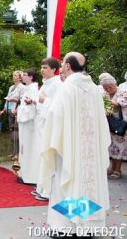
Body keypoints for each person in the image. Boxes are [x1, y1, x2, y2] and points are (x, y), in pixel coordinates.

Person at [39, 52, 111, 234]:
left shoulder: (66, 88)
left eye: (63, 63)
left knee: (68, 180)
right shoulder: (94, 88)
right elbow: (101, 120)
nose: (61, 65)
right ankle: (87, 227)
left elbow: (55, 116)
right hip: (91, 150)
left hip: (68, 148)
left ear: (68, 66)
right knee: (86, 183)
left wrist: (51, 140)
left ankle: (67, 228)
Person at [30, 58, 61, 201]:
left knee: (47, 155)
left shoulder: (57, 84)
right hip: (41, 121)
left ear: (54, 69)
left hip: (49, 123)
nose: (42, 70)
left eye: (45, 67)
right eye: (41, 67)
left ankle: (48, 191)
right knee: (41, 154)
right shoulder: (45, 84)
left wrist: (43, 101)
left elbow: (58, 105)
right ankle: (41, 187)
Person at [100, 74, 127, 179]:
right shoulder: (104, 94)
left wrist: (104, 101)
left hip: (120, 125)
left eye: (110, 87)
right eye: (105, 87)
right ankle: (113, 167)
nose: (108, 89)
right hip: (108, 125)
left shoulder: (123, 92)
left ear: (115, 84)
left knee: (119, 148)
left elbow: (117, 105)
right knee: (111, 147)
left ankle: (117, 170)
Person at [16, 69, 39, 185]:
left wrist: (22, 110)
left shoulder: (34, 89)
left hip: (29, 124)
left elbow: (33, 107)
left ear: (31, 77)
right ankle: (24, 173)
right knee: (24, 148)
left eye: (25, 75)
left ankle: (31, 176)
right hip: (24, 122)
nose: (22, 77)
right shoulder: (28, 89)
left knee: (29, 148)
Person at [0, 70, 25, 157]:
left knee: (17, 132)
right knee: (12, 131)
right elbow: (7, 99)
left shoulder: (22, 88)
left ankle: (18, 153)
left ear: (20, 78)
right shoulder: (11, 87)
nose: (13, 77)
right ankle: (13, 152)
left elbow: (22, 100)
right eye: (13, 75)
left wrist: (12, 100)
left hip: (16, 111)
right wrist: (4, 109)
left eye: (15, 75)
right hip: (9, 110)